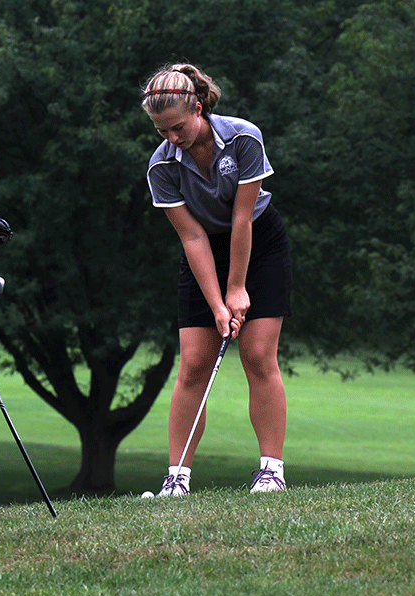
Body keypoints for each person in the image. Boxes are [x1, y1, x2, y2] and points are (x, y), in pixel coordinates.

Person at [142, 64, 292, 496]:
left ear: (199, 107)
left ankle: (271, 472)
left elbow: (242, 219)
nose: (172, 138)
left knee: (259, 355)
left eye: (177, 127)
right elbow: (192, 237)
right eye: (161, 131)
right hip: (204, 251)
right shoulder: (161, 168)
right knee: (192, 365)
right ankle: (177, 479)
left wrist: (237, 289)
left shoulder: (244, 138)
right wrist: (217, 302)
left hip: (259, 244)